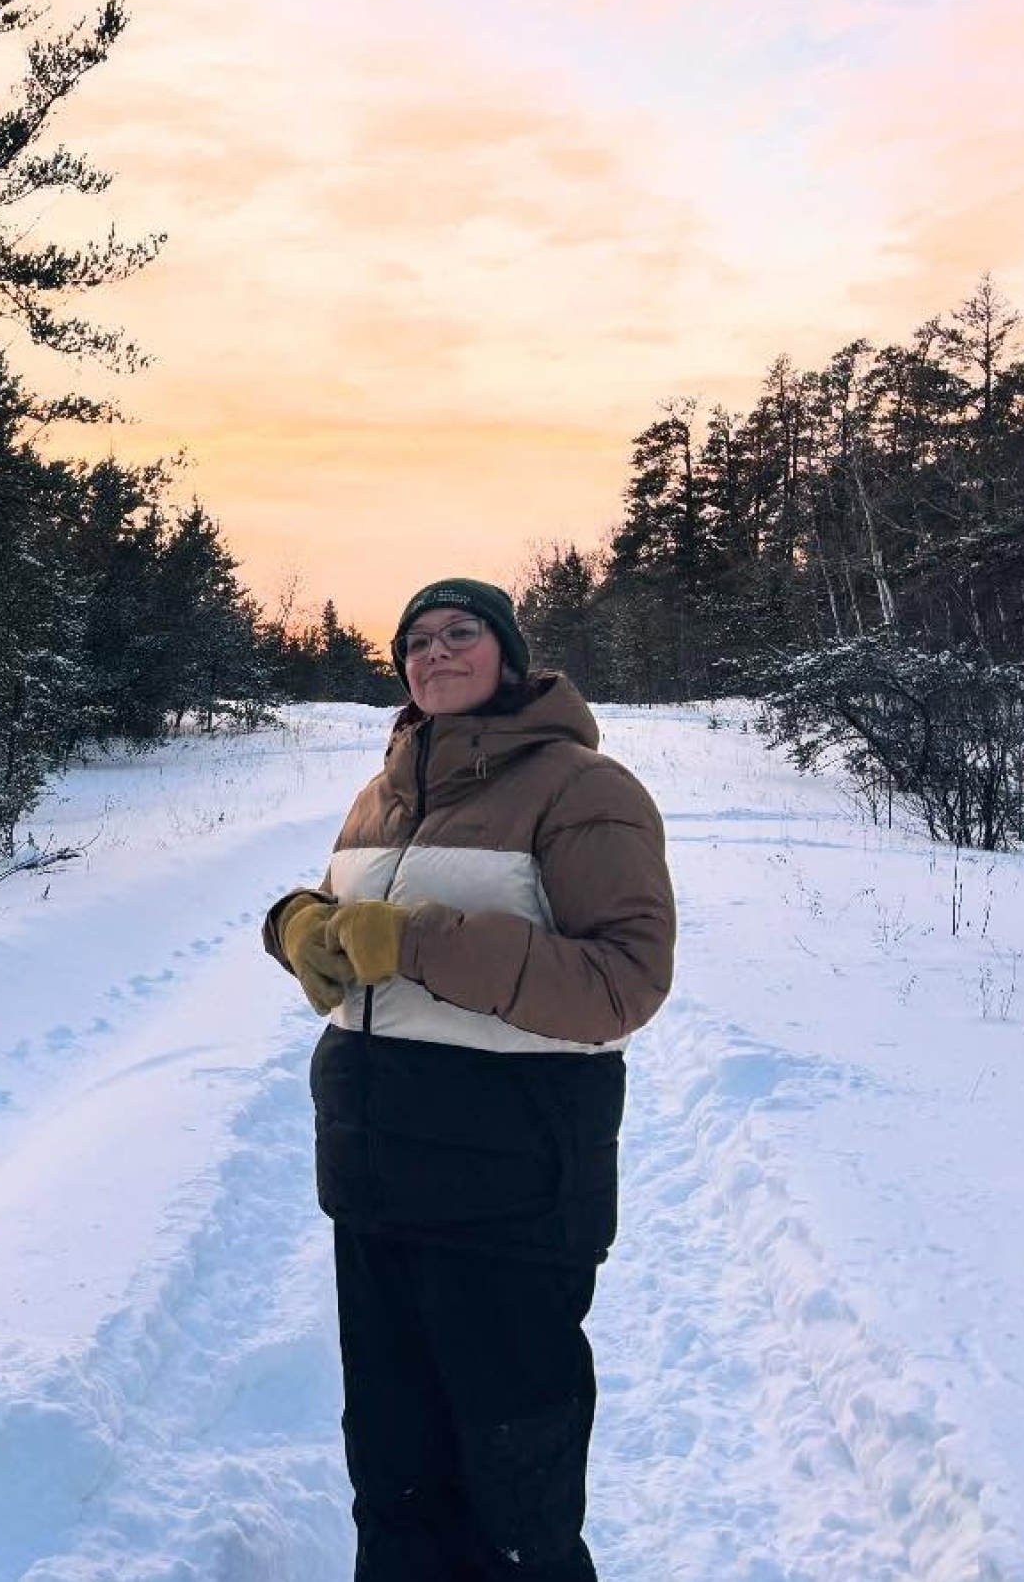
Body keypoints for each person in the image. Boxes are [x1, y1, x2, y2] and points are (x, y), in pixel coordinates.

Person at [261, 577, 677, 1582]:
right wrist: (295, 926)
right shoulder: (387, 789)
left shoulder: (583, 789)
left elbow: (623, 983)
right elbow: (346, 922)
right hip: (375, 1189)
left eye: (462, 633)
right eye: (416, 639)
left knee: (513, 1502)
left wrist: (419, 943)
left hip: (509, 1197)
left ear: (510, 654)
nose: (436, 653)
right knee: (394, 1485)